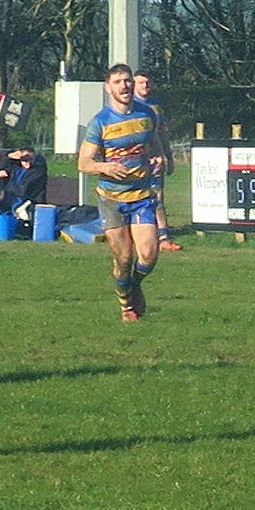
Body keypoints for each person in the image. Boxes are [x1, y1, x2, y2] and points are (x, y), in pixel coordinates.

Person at [78, 63, 166, 322]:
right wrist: (105, 166)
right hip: (112, 200)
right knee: (124, 258)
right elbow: (83, 163)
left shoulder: (146, 114)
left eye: (127, 80)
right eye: (118, 82)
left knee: (149, 254)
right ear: (108, 88)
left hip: (141, 195)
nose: (124, 85)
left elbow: (153, 143)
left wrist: (158, 158)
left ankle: (134, 284)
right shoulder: (100, 122)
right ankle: (126, 306)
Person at [134, 70, 182, 251]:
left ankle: (163, 237)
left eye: (147, 82)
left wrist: (168, 156)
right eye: (141, 83)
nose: (145, 86)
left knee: (157, 197)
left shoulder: (155, 106)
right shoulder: (131, 106)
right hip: (136, 161)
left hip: (156, 160)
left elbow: (161, 132)